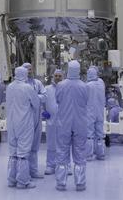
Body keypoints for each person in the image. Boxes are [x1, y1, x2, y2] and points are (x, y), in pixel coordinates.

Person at [55, 60, 89, 192]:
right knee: (80, 153)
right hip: (80, 123)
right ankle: (80, 183)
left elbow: (57, 100)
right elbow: (86, 101)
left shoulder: (61, 85)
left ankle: (61, 183)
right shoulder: (84, 86)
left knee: (62, 152)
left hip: (64, 122)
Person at [5, 66, 40, 189]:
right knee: (23, 152)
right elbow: (36, 104)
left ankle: (11, 180)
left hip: (11, 122)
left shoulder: (9, 87)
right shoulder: (27, 87)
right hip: (24, 122)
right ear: (24, 74)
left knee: (13, 152)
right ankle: (23, 181)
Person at [26, 64, 45, 179]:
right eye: (27, 70)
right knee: (25, 146)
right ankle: (23, 172)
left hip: (36, 117)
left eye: (30, 69)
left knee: (34, 146)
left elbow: (44, 95)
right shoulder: (20, 85)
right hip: (25, 118)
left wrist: (34, 98)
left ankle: (33, 171)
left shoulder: (37, 83)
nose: (29, 71)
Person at [44, 68, 63, 176]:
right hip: (50, 121)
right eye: (56, 76)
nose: (57, 78)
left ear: (63, 77)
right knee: (51, 144)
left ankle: (64, 165)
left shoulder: (66, 88)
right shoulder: (47, 89)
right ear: (53, 77)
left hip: (63, 121)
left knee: (63, 145)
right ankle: (50, 165)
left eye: (59, 76)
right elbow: (41, 103)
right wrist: (43, 113)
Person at [86, 66, 107, 161]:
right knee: (100, 134)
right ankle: (100, 154)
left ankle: (89, 155)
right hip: (100, 111)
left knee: (89, 134)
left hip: (90, 112)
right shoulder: (101, 82)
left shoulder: (88, 85)